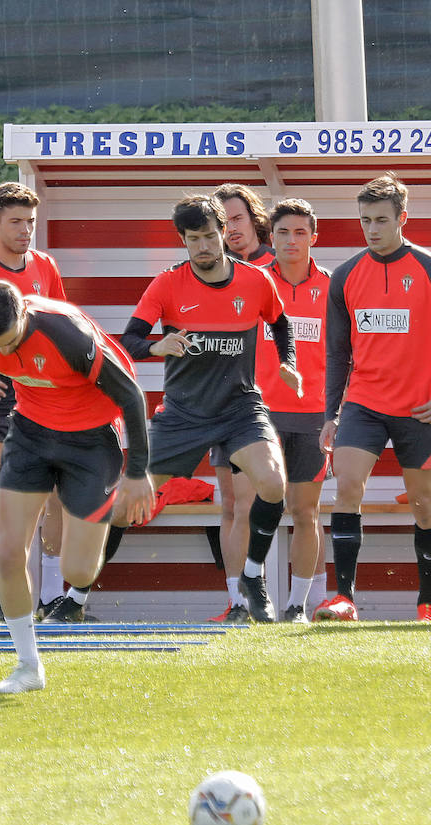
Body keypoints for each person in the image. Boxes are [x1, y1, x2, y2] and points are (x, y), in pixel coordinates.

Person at [0, 281, 154, 693]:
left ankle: (88, 536)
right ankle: (28, 666)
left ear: (23, 316)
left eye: (11, 343)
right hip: (31, 436)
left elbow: (132, 396)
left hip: (92, 439)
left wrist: (138, 473)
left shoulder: (67, 335)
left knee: (75, 569)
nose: (5, 354)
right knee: (6, 552)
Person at [116, 193, 302, 623]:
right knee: (123, 505)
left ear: (225, 234)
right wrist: (156, 345)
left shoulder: (256, 280)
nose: (203, 246)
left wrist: (287, 362)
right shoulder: (166, 284)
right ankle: (76, 597)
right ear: (183, 240)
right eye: (193, 239)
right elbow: (128, 340)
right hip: (183, 415)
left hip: (240, 410)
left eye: (210, 236)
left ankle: (252, 579)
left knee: (273, 485)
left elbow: (280, 323)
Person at [316, 173, 431, 623]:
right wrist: (331, 413)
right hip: (363, 404)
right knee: (347, 486)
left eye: (381, 220)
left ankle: (427, 605)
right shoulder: (346, 276)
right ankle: (344, 598)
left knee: (423, 503)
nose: (372, 229)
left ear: (402, 219)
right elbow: (337, 352)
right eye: (365, 220)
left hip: (418, 410)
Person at [0, 181, 69, 622]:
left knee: (54, 497)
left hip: (44, 393)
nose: (26, 230)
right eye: (16, 222)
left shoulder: (45, 265)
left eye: (31, 221)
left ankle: (50, 596)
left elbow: (62, 327)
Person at [258, 199, 332, 623]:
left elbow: (347, 355)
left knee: (305, 512)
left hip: (312, 416)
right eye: (283, 232)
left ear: (313, 238)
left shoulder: (333, 287)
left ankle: (297, 606)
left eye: (300, 232)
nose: (291, 240)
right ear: (272, 237)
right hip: (258, 416)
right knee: (258, 510)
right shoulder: (253, 283)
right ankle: (252, 602)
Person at [210, 183, 277, 617]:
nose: (231, 229)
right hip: (221, 405)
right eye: (223, 222)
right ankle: (238, 603)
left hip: (271, 409)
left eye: (237, 219)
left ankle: (277, 600)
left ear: (254, 218)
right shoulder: (210, 273)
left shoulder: (280, 266)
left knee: (270, 505)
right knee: (232, 505)